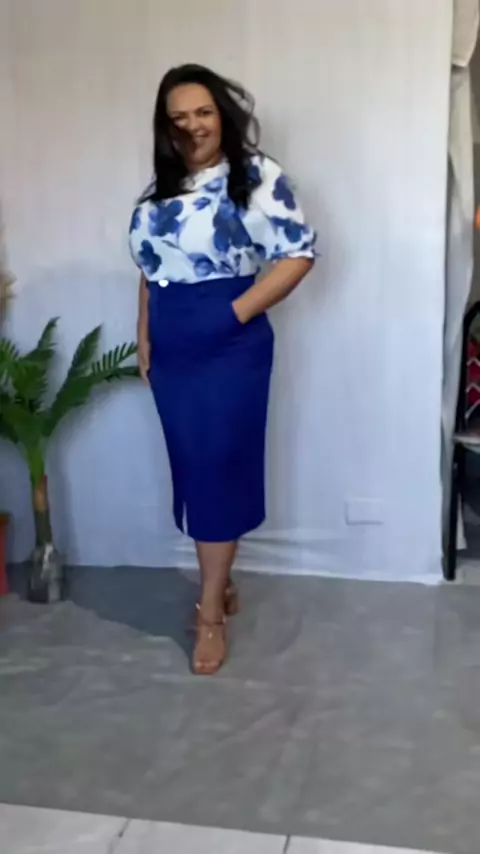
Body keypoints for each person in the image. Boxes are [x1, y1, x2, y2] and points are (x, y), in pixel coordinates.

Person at [129, 64, 316, 675]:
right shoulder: (162, 190)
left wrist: (231, 313)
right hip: (172, 350)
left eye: (203, 112)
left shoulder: (256, 176)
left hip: (229, 346)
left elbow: (298, 254)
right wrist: (144, 334)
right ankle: (222, 580)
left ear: (222, 116)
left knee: (217, 471)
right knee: (193, 469)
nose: (192, 126)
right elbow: (150, 267)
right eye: (178, 118)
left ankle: (209, 611)